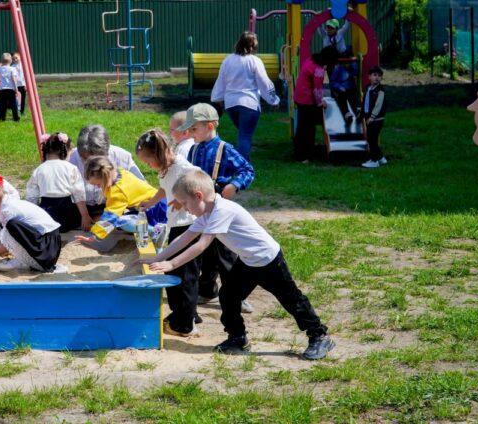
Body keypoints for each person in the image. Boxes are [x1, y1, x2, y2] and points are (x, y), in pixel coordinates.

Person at [141, 169, 335, 360]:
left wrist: (171, 263)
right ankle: (237, 338)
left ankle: (319, 335)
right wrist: (158, 259)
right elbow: (185, 238)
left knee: (291, 299)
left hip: (268, 260)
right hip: (248, 261)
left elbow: (201, 245)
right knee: (228, 296)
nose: (184, 208)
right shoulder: (206, 213)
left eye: (185, 203)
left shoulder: (222, 210)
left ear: (199, 196)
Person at [178, 103, 255, 314]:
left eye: (194, 129)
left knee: (225, 254)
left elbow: (247, 170)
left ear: (210, 126)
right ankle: (207, 290)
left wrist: (233, 186)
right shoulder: (193, 150)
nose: (190, 133)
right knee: (206, 254)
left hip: (219, 203)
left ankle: (236, 295)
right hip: (200, 206)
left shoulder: (225, 149)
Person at [135, 129, 201, 336]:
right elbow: (164, 188)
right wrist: (151, 202)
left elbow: (202, 182)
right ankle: (184, 314)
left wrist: (183, 201)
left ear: (159, 155)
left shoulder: (183, 168)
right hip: (176, 225)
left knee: (186, 276)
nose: (148, 166)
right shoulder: (166, 169)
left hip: (189, 227)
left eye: (148, 162)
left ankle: (186, 324)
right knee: (172, 274)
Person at [0, 174, 64, 273]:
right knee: (11, 227)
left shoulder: (8, 211)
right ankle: (24, 260)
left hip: (46, 248)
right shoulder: (7, 204)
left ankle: (27, 262)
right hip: (48, 242)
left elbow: (10, 238)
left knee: (12, 225)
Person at [211, 32, 280, 161]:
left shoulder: (228, 60)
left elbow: (221, 80)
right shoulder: (255, 61)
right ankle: (242, 166)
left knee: (243, 133)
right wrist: (274, 100)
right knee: (245, 135)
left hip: (231, 104)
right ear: (253, 45)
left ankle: (243, 162)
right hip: (249, 103)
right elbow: (264, 82)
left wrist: (217, 98)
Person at [75, 156, 166, 253]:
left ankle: (154, 231)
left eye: (98, 184)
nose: (97, 187)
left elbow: (110, 217)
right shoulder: (120, 172)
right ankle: (158, 250)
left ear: (106, 177)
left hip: (153, 209)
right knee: (148, 238)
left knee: (120, 221)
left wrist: (95, 236)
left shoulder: (117, 192)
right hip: (160, 202)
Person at [68, 124, 145, 218]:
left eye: (96, 159)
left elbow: (142, 186)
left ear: (106, 151)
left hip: (118, 205)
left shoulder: (122, 156)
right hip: (80, 207)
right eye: (85, 159)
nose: (90, 164)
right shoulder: (70, 158)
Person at [26, 132, 91, 232]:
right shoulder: (71, 168)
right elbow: (79, 194)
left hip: (47, 215)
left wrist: (32, 218)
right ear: (66, 151)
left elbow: (32, 197)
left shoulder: (39, 170)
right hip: (67, 214)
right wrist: (85, 215)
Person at [293, 46, 338, 162]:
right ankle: (305, 155)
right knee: (308, 128)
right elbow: (317, 90)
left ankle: (300, 154)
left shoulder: (311, 59)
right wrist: (320, 102)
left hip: (299, 97)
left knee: (302, 127)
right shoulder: (319, 70)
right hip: (306, 100)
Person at [359, 66, 388, 168]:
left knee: (372, 139)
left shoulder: (380, 91)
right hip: (369, 118)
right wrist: (362, 113)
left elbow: (378, 105)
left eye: (379, 76)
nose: (377, 78)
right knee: (371, 138)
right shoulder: (368, 88)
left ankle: (374, 160)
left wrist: (372, 116)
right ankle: (380, 158)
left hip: (376, 119)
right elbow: (365, 102)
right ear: (369, 77)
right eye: (374, 75)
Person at [330, 59, 359, 125]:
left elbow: (356, 72)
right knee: (341, 98)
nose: (348, 65)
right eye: (347, 63)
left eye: (349, 63)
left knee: (353, 97)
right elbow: (332, 81)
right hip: (339, 88)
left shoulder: (352, 67)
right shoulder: (338, 68)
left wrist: (357, 62)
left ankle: (357, 112)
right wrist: (339, 87)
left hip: (349, 87)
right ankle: (346, 113)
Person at [0, 53, 20, 122]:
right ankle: (16, 118)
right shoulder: (12, 69)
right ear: (11, 61)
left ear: (2, 61)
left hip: (2, 90)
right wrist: (16, 89)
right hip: (11, 89)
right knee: (14, 105)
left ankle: (2, 118)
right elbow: (14, 79)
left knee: (2, 105)